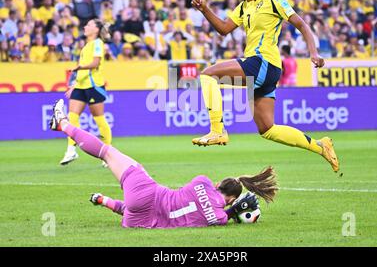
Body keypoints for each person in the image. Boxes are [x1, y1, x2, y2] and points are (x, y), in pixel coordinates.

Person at [190, 0, 340, 173]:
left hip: (263, 62)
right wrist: (205, 10)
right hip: (262, 67)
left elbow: (302, 25)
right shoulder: (244, 7)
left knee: (208, 75)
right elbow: (223, 29)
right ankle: (321, 146)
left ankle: (217, 130)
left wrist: (313, 52)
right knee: (267, 129)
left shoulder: (274, 0)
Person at [50, 99, 277, 229]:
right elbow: (222, 215)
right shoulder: (218, 219)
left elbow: (208, 199)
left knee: (107, 153)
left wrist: (230, 206)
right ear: (232, 200)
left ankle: (62, 124)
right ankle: (104, 200)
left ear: (219, 184)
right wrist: (233, 210)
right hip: (139, 221)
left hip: (149, 194)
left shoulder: (203, 181)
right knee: (132, 205)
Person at [61, 19, 112, 166]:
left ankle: (108, 153)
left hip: (94, 86)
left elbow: (95, 64)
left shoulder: (97, 44)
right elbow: (85, 70)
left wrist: (79, 67)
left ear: (96, 30)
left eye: (89, 25)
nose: (85, 26)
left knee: (99, 120)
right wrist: (74, 84)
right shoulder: (86, 46)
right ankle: (71, 150)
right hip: (81, 85)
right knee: (72, 118)